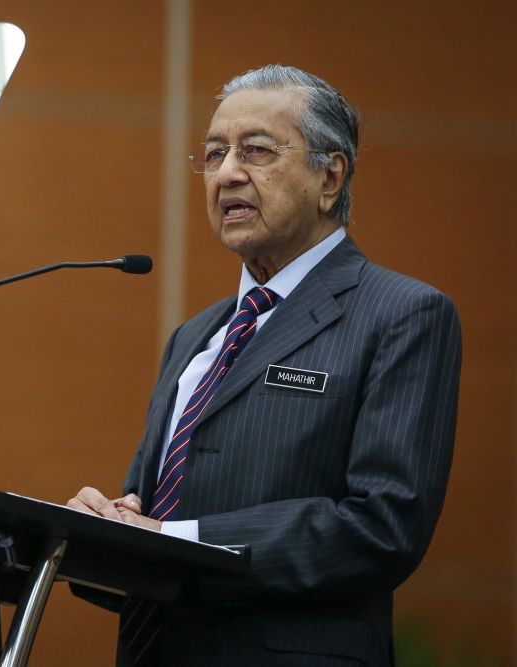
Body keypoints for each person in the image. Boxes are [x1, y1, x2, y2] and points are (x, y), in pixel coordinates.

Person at [67, 65, 461, 666]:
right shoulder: (194, 337)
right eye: (214, 154)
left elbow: (383, 526)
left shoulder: (401, 314)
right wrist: (100, 535)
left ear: (330, 176)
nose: (226, 173)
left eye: (256, 150)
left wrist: (180, 542)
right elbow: (151, 517)